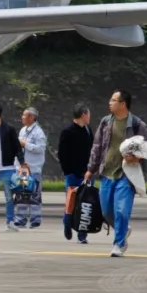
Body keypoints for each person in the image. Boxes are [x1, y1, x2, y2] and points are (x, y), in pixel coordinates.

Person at [84, 90, 147, 258]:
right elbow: (97, 147)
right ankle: (123, 229)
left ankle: (119, 244)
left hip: (126, 175)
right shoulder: (106, 122)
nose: (110, 103)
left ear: (123, 104)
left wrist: (137, 157)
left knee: (121, 211)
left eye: (114, 100)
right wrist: (90, 169)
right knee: (106, 211)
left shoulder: (136, 124)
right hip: (107, 173)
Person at [58, 104, 93, 243]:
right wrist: (68, 171)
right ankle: (67, 222)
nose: (89, 117)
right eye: (88, 114)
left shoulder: (88, 130)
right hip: (73, 174)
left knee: (86, 205)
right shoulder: (67, 132)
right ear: (83, 114)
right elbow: (62, 154)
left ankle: (82, 235)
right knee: (72, 202)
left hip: (87, 174)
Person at [17, 107, 47, 228]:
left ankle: (35, 219)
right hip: (23, 169)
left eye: (24, 115)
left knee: (34, 195)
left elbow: (40, 148)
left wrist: (26, 144)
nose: (22, 117)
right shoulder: (23, 130)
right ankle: (20, 218)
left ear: (32, 117)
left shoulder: (38, 132)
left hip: (34, 168)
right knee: (21, 194)